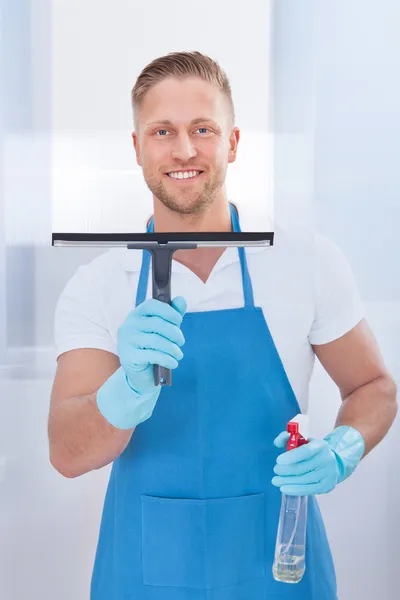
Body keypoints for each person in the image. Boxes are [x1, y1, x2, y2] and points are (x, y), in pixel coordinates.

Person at [48, 51, 397, 599]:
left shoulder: (306, 260)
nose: (184, 150)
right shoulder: (99, 284)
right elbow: (67, 453)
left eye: (203, 129)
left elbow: (374, 387)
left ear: (233, 142)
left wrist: (343, 447)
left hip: (280, 566)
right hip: (143, 574)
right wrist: (124, 393)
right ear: (136, 147)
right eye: (162, 130)